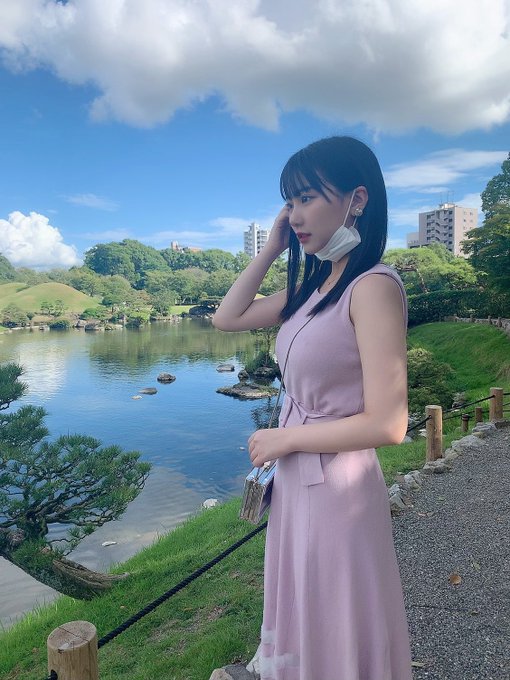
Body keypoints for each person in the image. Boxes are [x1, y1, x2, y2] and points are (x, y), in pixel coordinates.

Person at [213, 136, 412, 680]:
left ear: (357, 199)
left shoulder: (371, 287)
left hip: (338, 487)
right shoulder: (313, 289)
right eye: (288, 201)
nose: (294, 214)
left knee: (338, 617)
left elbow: (390, 423)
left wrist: (287, 438)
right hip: (297, 482)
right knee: (305, 609)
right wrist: (272, 248)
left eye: (306, 198)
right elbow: (227, 318)